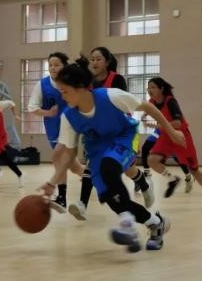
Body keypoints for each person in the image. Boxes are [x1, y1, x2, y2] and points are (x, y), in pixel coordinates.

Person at [39, 57, 186, 252]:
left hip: (123, 137)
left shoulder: (111, 96)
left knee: (109, 166)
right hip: (97, 150)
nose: (62, 96)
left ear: (81, 88)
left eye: (65, 91)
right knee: (115, 201)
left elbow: (147, 107)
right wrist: (52, 183)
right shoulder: (69, 116)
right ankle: (156, 223)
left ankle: (127, 225)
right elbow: (69, 153)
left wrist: (171, 131)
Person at [68, 47, 153, 221]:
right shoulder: (88, 82)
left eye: (98, 59)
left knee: (129, 170)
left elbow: (124, 107)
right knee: (92, 165)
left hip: (120, 131)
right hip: (99, 133)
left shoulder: (117, 79)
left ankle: (142, 183)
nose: (94, 62)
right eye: (92, 59)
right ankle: (82, 204)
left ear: (107, 62)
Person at [145, 78, 202, 210]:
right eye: (148, 88)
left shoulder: (170, 101)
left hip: (181, 136)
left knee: (194, 170)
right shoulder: (151, 102)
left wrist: (158, 126)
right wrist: (145, 115)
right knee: (152, 160)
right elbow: (150, 110)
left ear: (161, 89)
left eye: (153, 87)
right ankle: (172, 179)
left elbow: (177, 123)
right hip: (167, 136)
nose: (149, 90)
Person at [28, 52, 84, 211]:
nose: (53, 68)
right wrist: (48, 113)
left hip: (70, 126)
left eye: (56, 65)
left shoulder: (71, 83)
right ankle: (98, 180)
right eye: (50, 65)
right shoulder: (42, 84)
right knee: (74, 167)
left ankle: (62, 198)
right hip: (53, 128)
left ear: (64, 66)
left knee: (59, 159)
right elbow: (32, 107)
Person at [140, 128, 192, 193]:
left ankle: (188, 177)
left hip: (171, 135)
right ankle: (147, 173)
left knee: (178, 158)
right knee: (145, 147)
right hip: (159, 133)